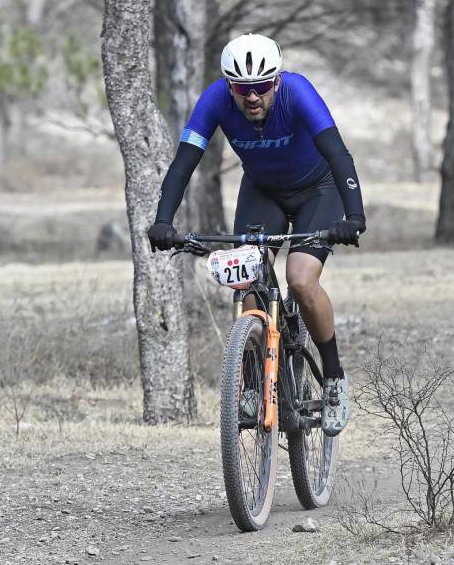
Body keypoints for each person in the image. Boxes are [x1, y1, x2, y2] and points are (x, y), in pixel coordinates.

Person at [146, 33, 365, 437]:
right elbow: (182, 166)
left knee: (300, 279)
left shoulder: (297, 91)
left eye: (262, 87)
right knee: (247, 277)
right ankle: (250, 380)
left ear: (276, 82)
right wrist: (163, 221)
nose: (252, 98)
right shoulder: (214, 100)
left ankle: (333, 376)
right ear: (230, 86)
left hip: (318, 190)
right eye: (243, 89)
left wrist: (354, 215)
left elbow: (338, 154)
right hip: (262, 190)